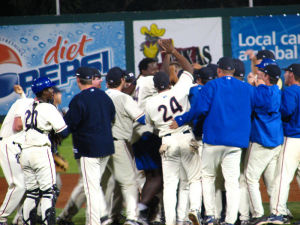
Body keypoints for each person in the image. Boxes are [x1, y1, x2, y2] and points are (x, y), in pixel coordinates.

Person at [170, 56, 255, 225]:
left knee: (208, 177)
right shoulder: (247, 88)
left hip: (214, 140)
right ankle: (230, 220)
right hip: (236, 142)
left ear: (219, 70)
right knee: (232, 182)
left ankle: (210, 216)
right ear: (234, 71)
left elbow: (200, 110)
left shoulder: (212, 85)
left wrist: (181, 119)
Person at [145, 39, 202, 225]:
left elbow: (151, 125)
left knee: (170, 186)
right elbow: (189, 69)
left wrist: (167, 55)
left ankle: (170, 222)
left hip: (166, 142)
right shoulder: (179, 89)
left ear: (155, 86)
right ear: (169, 80)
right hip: (186, 137)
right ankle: (193, 210)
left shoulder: (150, 102)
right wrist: (173, 51)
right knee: (193, 179)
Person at [64, 66, 115, 225]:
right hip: (106, 148)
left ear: (78, 80)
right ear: (91, 79)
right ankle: (103, 217)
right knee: (94, 184)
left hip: (89, 150)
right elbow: (112, 118)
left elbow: (69, 126)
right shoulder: (105, 97)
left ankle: (95, 221)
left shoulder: (78, 100)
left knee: (91, 188)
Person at [16, 77, 68, 225]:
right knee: (48, 193)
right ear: (43, 91)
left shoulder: (27, 106)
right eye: (49, 89)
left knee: (32, 193)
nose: (52, 91)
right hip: (40, 152)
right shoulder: (49, 108)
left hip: (25, 153)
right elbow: (63, 132)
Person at [105, 66, 146, 225]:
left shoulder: (101, 96)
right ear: (122, 81)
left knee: (111, 182)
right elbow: (141, 118)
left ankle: (110, 216)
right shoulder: (124, 98)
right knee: (129, 182)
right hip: (118, 144)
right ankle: (132, 218)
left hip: (100, 146)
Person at [245, 65, 283, 225]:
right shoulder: (277, 90)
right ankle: (277, 213)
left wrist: (254, 84)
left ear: (267, 77)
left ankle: (258, 214)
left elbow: (255, 99)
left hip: (262, 141)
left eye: (263, 74)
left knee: (250, 178)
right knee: (272, 181)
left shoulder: (260, 91)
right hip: (276, 142)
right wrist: (258, 84)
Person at [266, 64, 300, 224]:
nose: (285, 75)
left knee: (282, 177)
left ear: (292, 75)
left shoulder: (292, 90)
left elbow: (287, 111)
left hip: (293, 139)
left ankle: (278, 213)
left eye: (287, 72)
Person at [0, 87, 33, 225]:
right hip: (9, 144)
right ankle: (1, 217)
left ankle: (21, 219)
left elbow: (24, 101)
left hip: (17, 146)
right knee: (19, 184)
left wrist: (21, 94)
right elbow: (17, 125)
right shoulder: (30, 103)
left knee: (29, 184)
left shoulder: (28, 102)